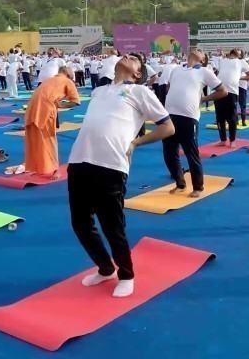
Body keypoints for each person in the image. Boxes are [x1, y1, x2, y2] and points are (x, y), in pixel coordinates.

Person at [68, 54, 175, 297]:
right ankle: (105, 268)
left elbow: (168, 127)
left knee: (112, 225)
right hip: (79, 160)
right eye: (126, 54)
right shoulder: (99, 91)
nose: (127, 56)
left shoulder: (140, 91)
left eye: (134, 59)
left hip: (111, 164)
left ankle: (126, 274)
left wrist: (136, 142)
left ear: (138, 73)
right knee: (81, 223)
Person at [163, 49, 228, 198]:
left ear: (203, 59)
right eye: (196, 48)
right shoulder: (176, 69)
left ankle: (198, 187)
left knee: (191, 153)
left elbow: (222, 91)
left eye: (201, 51)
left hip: (189, 117)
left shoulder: (204, 71)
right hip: (170, 116)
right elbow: (170, 88)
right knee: (169, 153)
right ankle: (180, 183)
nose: (197, 50)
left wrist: (203, 99)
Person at [5, 67, 81, 179]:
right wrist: (60, 105)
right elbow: (76, 102)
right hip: (45, 111)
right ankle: (55, 170)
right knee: (49, 139)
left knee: (34, 140)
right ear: (69, 75)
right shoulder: (67, 81)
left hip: (31, 110)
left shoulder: (49, 80)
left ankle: (37, 167)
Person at [215, 49, 249, 147]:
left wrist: (239, 77)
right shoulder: (223, 61)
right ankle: (223, 140)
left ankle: (232, 140)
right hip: (219, 90)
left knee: (231, 117)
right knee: (219, 117)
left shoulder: (242, 62)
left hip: (232, 91)